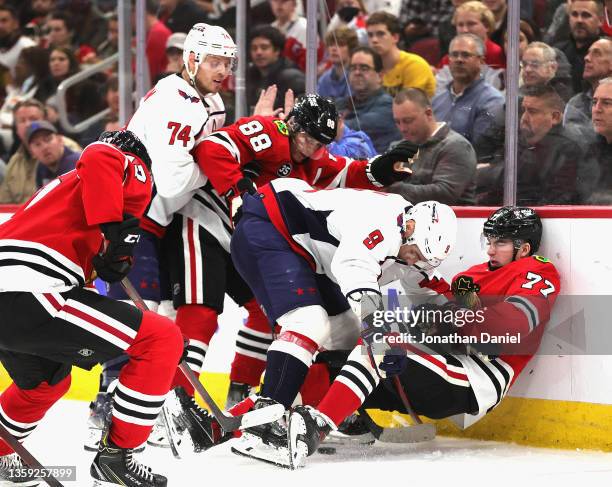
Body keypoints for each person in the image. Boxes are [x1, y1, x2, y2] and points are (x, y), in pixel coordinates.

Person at [287, 206, 560, 469]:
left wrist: (447, 320)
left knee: (381, 343)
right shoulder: (469, 277)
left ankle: (316, 428)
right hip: (442, 365)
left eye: (500, 243)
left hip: (478, 377)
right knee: (330, 362)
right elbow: (451, 321)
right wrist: (428, 323)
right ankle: (281, 418)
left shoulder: (537, 272)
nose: (490, 249)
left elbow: (509, 329)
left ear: (523, 248)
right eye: (488, 240)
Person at [191, 93, 414, 407]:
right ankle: (253, 401)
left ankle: (255, 392)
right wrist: (238, 189)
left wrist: (380, 170)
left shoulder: (313, 157)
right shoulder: (270, 133)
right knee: (290, 318)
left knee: (287, 316)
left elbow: (343, 172)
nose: (311, 147)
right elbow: (211, 148)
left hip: (271, 239)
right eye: (307, 138)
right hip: (216, 227)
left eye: (319, 142)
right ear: (293, 124)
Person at [84, 23, 244, 453]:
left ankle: (143, 409)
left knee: (165, 317)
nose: (223, 70)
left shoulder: (206, 98)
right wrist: (215, 162)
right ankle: (104, 411)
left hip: (157, 219)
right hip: (130, 219)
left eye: (227, 63)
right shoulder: (179, 104)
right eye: (214, 61)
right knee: (138, 314)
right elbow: (173, 183)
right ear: (192, 59)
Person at [227, 178, 457, 464]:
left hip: (308, 253)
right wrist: (380, 329)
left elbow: (428, 289)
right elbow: (353, 268)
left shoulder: (412, 245)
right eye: (414, 254)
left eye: (421, 259)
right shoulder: (381, 224)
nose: (412, 262)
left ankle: (314, 412)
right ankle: (265, 421)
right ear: (408, 228)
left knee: (348, 333)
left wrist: (464, 318)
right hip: (270, 226)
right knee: (309, 321)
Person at [0, 130, 184, 487]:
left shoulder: (63, 195)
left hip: (14, 292)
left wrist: (107, 254)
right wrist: (120, 234)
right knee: (161, 338)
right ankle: (117, 457)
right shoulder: (122, 163)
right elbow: (101, 152)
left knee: (44, 383)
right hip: (32, 290)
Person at [387, 88, 477, 205]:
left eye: (408, 120)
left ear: (428, 114)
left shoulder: (457, 147)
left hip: (454, 220)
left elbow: (445, 194)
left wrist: (391, 188)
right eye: (398, 122)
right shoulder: (397, 147)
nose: (402, 128)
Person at [432, 33, 505, 146]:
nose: (459, 60)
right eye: (454, 55)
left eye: (466, 55)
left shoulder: (492, 101)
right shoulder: (437, 100)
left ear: (481, 61)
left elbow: (480, 149)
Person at [336, 46, 402, 152]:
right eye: (353, 68)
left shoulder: (388, 106)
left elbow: (353, 126)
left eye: (364, 68)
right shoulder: (342, 103)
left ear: (380, 76)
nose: (357, 73)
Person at [365, 11, 436, 98]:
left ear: (395, 38)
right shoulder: (370, 67)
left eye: (380, 34)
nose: (374, 40)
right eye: (370, 35)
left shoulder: (414, 65)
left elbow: (408, 108)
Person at [26, 119, 80, 188]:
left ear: (60, 140)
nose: (44, 147)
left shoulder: (76, 164)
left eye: (48, 139)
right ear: (31, 152)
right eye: (37, 144)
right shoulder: (41, 168)